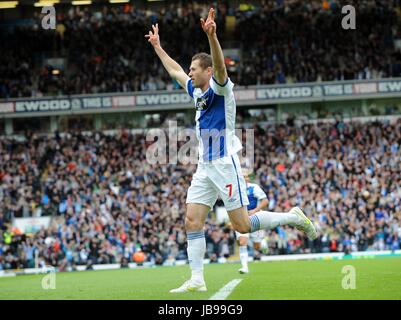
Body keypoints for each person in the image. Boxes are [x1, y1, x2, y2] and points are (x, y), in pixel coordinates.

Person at [145, 8, 317, 293]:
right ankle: (197, 279)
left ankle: (294, 217)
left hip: (225, 162)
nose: (190, 71)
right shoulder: (196, 91)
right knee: (192, 220)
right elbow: (174, 70)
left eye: (194, 68)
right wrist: (158, 48)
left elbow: (221, 68)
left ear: (207, 71)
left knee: (243, 226)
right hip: (204, 166)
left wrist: (212, 36)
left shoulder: (220, 89)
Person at [235, 168, 268, 274]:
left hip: (255, 218)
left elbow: (265, 200)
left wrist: (255, 211)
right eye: (242, 176)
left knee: (257, 246)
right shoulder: (235, 190)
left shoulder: (254, 187)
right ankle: (244, 267)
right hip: (241, 219)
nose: (245, 178)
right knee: (242, 241)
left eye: (246, 176)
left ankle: (263, 244)